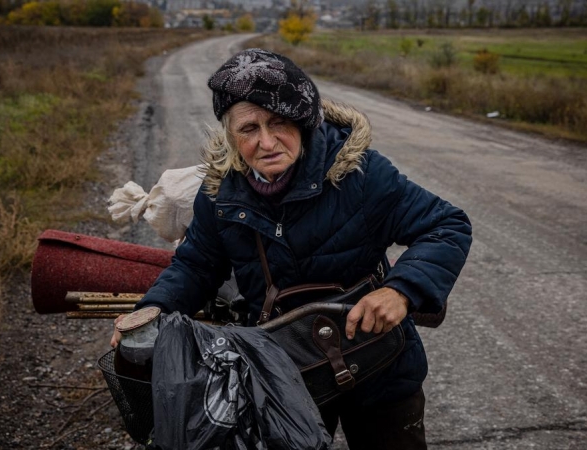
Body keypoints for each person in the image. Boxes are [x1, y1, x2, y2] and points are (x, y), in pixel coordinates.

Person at [111, 48, 472, 449]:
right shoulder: (219, 195)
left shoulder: (360, 175)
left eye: (278, 122)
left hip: (378, 365)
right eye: (249, 129)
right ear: (231, 135)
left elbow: (446, 224)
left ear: (302, 120)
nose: (266, 142)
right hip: (282, 373)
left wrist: (401, 291)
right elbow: (196, 266)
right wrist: (154, 309)